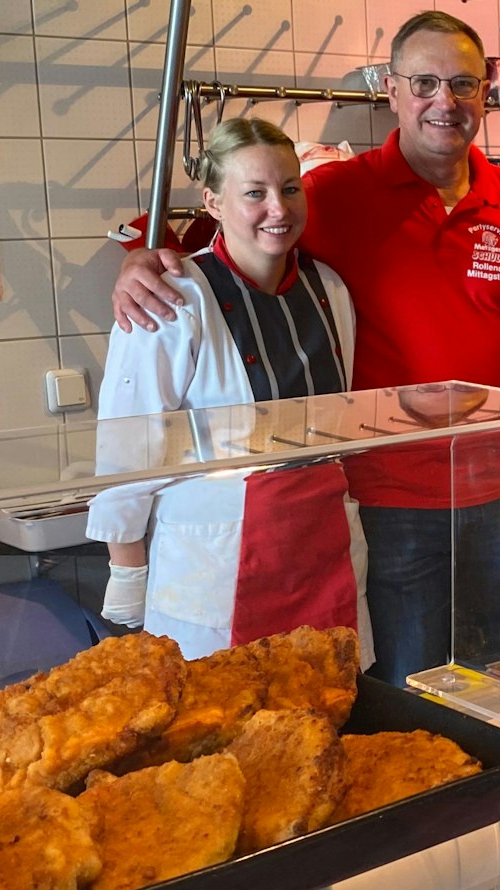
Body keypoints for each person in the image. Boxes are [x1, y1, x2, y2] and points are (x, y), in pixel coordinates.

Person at [112, 11, 500, 684]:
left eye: (462, 84)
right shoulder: (331, 195)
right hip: (390, 507)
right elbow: (227, 247)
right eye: (423, 82)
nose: (443, 102)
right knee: (413, 695)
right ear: (391, 91)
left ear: (486, 95)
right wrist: (139, 260)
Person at [86, 118, 367, 662]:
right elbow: (128, 447)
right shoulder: (172, 300)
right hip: (216, 566)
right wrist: (127, 573)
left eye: (289, 189)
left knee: (328, 707)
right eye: (254, 193)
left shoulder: (330, 289)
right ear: (213, 202)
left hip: (324, 547)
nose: (278, 210)